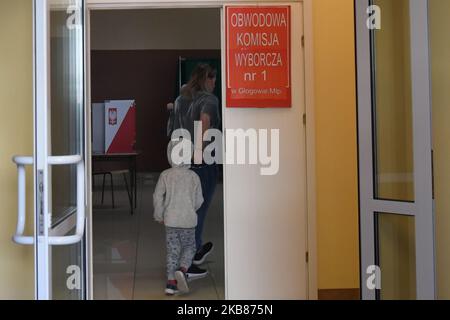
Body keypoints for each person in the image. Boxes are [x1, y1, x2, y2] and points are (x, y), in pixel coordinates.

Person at [169, 64, 220, 278]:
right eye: (213, 79)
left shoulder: (181, 99)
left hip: (180, 161)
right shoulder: (208, 100)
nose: (214, 84)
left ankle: (195, 250)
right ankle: (187, 264)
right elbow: (205, 123)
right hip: (200, 164)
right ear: (206, 79)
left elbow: (172, 127)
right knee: (198, 212)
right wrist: (198, 157)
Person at [153, 142, 204, 295]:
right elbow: (199, 200)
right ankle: (182, 269)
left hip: (171, 220)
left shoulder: (165, 175)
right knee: (190, 247)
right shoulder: (194, 176)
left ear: (170, 155)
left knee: (172, 251)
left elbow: (157, 197)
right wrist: (190, 210)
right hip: (188, 221)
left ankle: (170, 283)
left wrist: (159, 214)